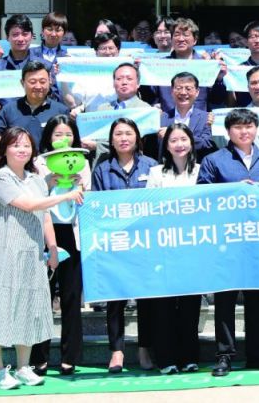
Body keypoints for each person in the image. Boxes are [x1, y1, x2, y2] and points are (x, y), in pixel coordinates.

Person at [0, 127, 83, 390]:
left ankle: (23, 367)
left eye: (27, 145)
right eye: (16, 145)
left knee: (28, 309)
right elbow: (30, 205)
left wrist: (52, 247)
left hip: (31, 253)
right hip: (3, 252)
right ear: (4, 149)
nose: (22, 149)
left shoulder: (37, 180)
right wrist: (67, 195)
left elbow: (44, 216)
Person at [197, 108, 259, 377]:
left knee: (257, 301)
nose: (244, 131)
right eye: (237, 127)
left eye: (248, 126)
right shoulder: (214, 160)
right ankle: (224, 355)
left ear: (256, 129)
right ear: (228, 132)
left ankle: (256, 354)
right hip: (227, 240)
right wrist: (234, 191)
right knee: (225, 300)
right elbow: (203, 196)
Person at [91, 117, 157, 373]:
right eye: (118, 134)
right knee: (115, 299)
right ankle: (116, 351)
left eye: (128, 133)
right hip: (115, 242)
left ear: (137, 137)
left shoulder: (151, 166)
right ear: (111, 140)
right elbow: (97, 206)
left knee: (146, 299)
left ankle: (145, 348)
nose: (123, 138)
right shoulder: (102, 169)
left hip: (144, 243)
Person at [29, 115, 90, 378]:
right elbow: (30, 199)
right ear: (48, 138)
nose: (63, 139)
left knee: (71, 296)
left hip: (72, 234)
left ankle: (69, 357)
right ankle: (38, 357)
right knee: (42, 295)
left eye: (68, 134)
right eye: (57, 134)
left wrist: (80, 186)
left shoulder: (82, 162)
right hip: (44, 233)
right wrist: (47, 183)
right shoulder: (38, 163)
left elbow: (88, 199)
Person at [147, 124, 202, 374]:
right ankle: (166, 358)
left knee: (190, 304)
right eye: (173, 140)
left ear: (191, 142)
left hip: (193, 246)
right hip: (164, 246)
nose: (179, 144)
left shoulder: (201, 171)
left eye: (183, 139)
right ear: (166, 146)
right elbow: (149, 208)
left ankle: (189, 356)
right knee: (164, 306)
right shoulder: (156, 173)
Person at [0, 61, 69, 152]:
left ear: (50, 81)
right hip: (18, 160)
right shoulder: (8, 110)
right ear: (22, 83)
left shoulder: (61, 111)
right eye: (32, 82)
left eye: (42, 82)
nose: (38, 86)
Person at [157, 71, 214, 160]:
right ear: (172, 91)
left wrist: (173, 134)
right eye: (178, 88)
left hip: (197, 165)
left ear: (197, 92)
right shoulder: (162, 117)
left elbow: (207, 143)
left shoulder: (206, 117)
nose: (183, 92)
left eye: (188, 88)